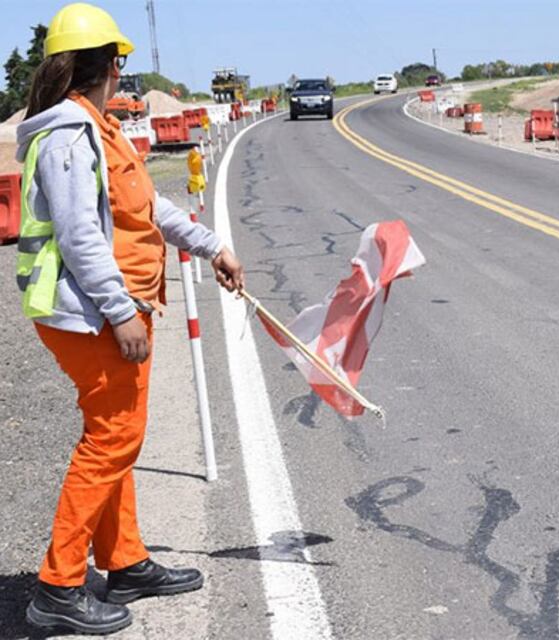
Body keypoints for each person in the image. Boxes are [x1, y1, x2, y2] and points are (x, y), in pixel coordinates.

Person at [15, 3, 244, 635]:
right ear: (104, 66)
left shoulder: (101, 127)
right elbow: (81, 234)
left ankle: (124, 560)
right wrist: (120, 312)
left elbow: (148, 206)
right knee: (112, 438)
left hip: (117, 306)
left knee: (116, 433)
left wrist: (210, 244)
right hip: (87, 314)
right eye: (119, 62)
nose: (123, 73)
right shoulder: (67, 135)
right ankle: (58, 587)